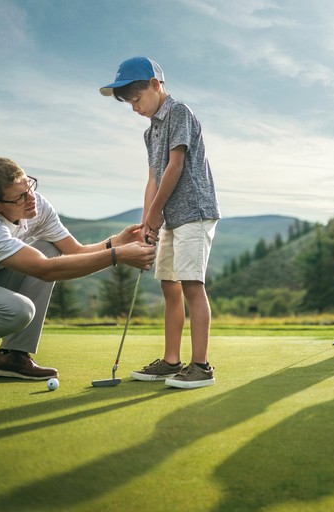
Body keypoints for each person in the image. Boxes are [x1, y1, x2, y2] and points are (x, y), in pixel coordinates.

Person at [0, 157, 156, 382]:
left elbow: (75, 252)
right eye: (20, 197)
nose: (31, 199)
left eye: (30, 186)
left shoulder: (35, 204)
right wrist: (118, 256)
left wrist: (116, 242)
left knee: (49, 247)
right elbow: (44, 270)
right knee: (18, 310)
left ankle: (13, 356)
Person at [100, 56, 221, 389]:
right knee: (169, 286)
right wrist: (145, 223)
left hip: (194, 211)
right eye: (129, 103)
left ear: (156, 85)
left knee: (191, 285)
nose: (134, 108)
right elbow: (153, 177)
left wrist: (156, 212)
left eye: (137, 99)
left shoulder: (179, 112)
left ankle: (201, 366)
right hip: (168, 217)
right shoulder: (149, 132)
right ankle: (171, 361)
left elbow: (175, 166)